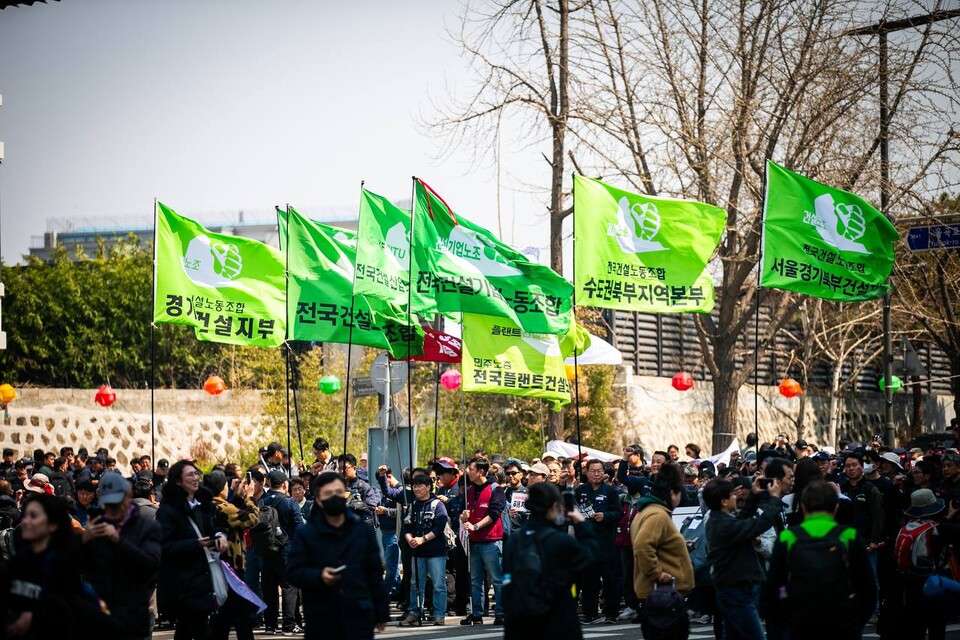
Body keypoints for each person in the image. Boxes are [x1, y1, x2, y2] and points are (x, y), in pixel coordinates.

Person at [765, 481, 876, 640]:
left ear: (803, 507)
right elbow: (867, 586)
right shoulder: (849, 535)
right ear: (836, 507)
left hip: (800, 623)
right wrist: (856, 623)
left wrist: (783, 623)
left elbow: (773, 587)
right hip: (842, 623)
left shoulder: (788, 536)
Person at [287, 471, 389, 640]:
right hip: (322, 617)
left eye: (338, 492)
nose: (334, 497)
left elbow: (374, 573)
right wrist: (319, 576)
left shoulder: (361, 530)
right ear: (318, 500)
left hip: (358, 615)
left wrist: (381, 611)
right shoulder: (305, 533)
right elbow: (293, 572)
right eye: (328, 494)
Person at [502, 482, 597, 640]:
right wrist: (581, 523)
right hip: (556, 617)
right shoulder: (560, 540)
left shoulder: (515, 539)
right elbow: (590, 557)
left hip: (519, 620)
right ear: (554, 506)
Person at [79, 470, 162, 640]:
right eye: (107, 504)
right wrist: (84, 541)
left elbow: (151, 565)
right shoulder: (97, 526)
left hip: (135, 611)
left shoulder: (147, 527)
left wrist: (118, 541)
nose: (111, 510)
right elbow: (77, 567)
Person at [703, 476, 785, 640]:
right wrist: (775, 499)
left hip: (733, 589)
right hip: (735, 592)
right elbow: (757, 525)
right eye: (732, 494)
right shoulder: (722, 525)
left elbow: (744, 517)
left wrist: (754, 494)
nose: (737, 496)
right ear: (724, 501)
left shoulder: (719, 519)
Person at [156, 460, 228, 640]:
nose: (195, 478)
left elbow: (213, 528)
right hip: (182, 581)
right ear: (178, 481)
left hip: (203, 578)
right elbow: (163, 546)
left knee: (190, 627)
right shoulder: (168, 510)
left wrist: (220, 536)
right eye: (190, 475)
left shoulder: (203, 504)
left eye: (196, 474)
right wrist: (194, 544)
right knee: (195, 627)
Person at [5, 494, 91, 638]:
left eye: (34, 516)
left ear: (52, 524)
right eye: (25, 515)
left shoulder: (64, 565)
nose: (26, 521)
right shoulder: (17, 561)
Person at [205, 470, 260, 640]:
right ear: (223, 488)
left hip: (215, 564)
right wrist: (250, 497)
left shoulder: (206, 506)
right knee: (241, 616)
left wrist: (236, 497)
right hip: (232, 567)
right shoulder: (224, 508)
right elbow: (252, 518)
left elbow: (232, 515)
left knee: (222, 616)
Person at [631, 463, 694, 605]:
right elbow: (642, 546)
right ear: (672, 493)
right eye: (680, 493)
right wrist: (657, 574)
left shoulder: (651, 512)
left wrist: (679, 546)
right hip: (662, 593)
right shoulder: (657, 515)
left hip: (663, 592)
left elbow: (657, 546)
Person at [575, 458, 623, 624]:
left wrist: (605, 516)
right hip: (586, 544)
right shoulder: (580, 491)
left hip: (606, 544)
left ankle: (611, 612)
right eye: (593, 471)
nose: (596, 474)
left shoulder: (610, 492)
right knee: (589, 582)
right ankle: (591, 613)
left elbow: (619, 513)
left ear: (604, 472)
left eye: (599, 471)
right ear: (586, 473)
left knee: (610, 580)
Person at [460, 457, 507, 625]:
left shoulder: (496, 489)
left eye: (470, 469)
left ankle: (501, 613)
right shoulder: (469, 490)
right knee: (475, 580)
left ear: (480, 471)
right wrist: (463, 516)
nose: (467, 471)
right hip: (474, 542)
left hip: (491, 541)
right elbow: (462, 511)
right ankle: (477, 613)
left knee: (497, 578)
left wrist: (476, 526)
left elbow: (494, 514)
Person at [399, 474, 450, 626]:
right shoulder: (412, 506)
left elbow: (440, 526)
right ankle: (415, 612)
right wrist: (410, 539)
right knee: (415, 584)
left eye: (420, 485)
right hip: (417, 553)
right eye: (414, 486)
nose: (416, 489)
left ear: (428, 487)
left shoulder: (437, 505)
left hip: (436, 552)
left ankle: (439, 615)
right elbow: (406, 527)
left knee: (438, 585)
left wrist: (423, 539)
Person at [260, 470, 304, 635]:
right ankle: (289, 624)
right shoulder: (290, 502)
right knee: (289, 587)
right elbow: (299, 527)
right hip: (287, 550)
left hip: (266, 551)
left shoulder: (262, 502)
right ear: (285, 484)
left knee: (269, 588)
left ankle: (270, 625)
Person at [338, 454, 379, 526]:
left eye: (345, 468)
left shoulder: (363, 486)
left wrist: (356, 505)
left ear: (354, 468)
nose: (342, 471)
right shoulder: (338, 487)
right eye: (340, 468)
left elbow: (371, 508)